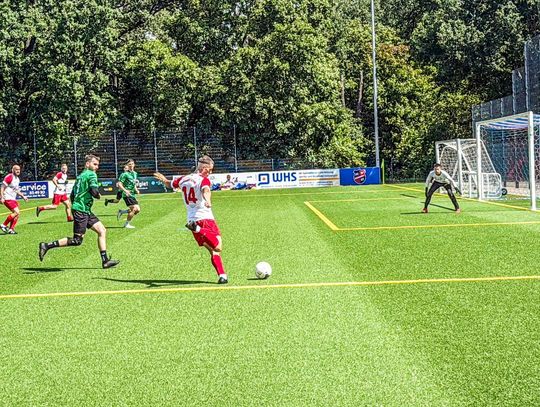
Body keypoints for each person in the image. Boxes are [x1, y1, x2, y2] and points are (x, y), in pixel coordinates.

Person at [153, 155, 228, 284]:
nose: (210, 173)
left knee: (213, 251)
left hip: (191, 219)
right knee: (218, 247)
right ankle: (198, 229)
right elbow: (206, 191)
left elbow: (169, 184)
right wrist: (208, 200)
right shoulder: (203, 180)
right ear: (204, 168)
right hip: (205, 219)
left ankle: (222, 276)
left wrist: (163, 179)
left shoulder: (183, 179)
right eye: (210, 170)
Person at [39, 154, 119, 268]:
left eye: (97, 165)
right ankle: (46, 245)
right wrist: (97, 195)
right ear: (87, 164)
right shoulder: (91, 174)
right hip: (81, 210)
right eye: (94, 164)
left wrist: (76, 206)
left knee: (102, 230)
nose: (97, 167)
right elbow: (94, 191)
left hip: (83, 209)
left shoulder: (80, 176)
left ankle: (105, 261)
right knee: (77, 240)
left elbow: (72, 194)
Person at [1, 165, 29, 234]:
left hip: (12, 198)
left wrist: (23, 196)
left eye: (19, 169)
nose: (18, 171)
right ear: (12, 170)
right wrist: (2, 197)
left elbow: (16, 190)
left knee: (17, 214)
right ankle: (4, 225)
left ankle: (11, 229)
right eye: (16, 169)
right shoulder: (9, 177)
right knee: (16, 212)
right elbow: (2, 187)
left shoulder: (17, 179)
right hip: (7, 197)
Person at [116, 159, 140, 228]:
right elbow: (119, 184)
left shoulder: (135, 173)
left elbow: (133, 183)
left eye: (132, 164)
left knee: (137, 210)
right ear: (127, 165)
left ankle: (122, 212)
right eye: (129, 164)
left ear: (134, 165)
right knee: (134, 209)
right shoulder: (125, 174)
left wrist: (136, 189)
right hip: (126, 194)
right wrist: (125, 190)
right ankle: (126, 224)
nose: (131, 165)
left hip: (132, 194)